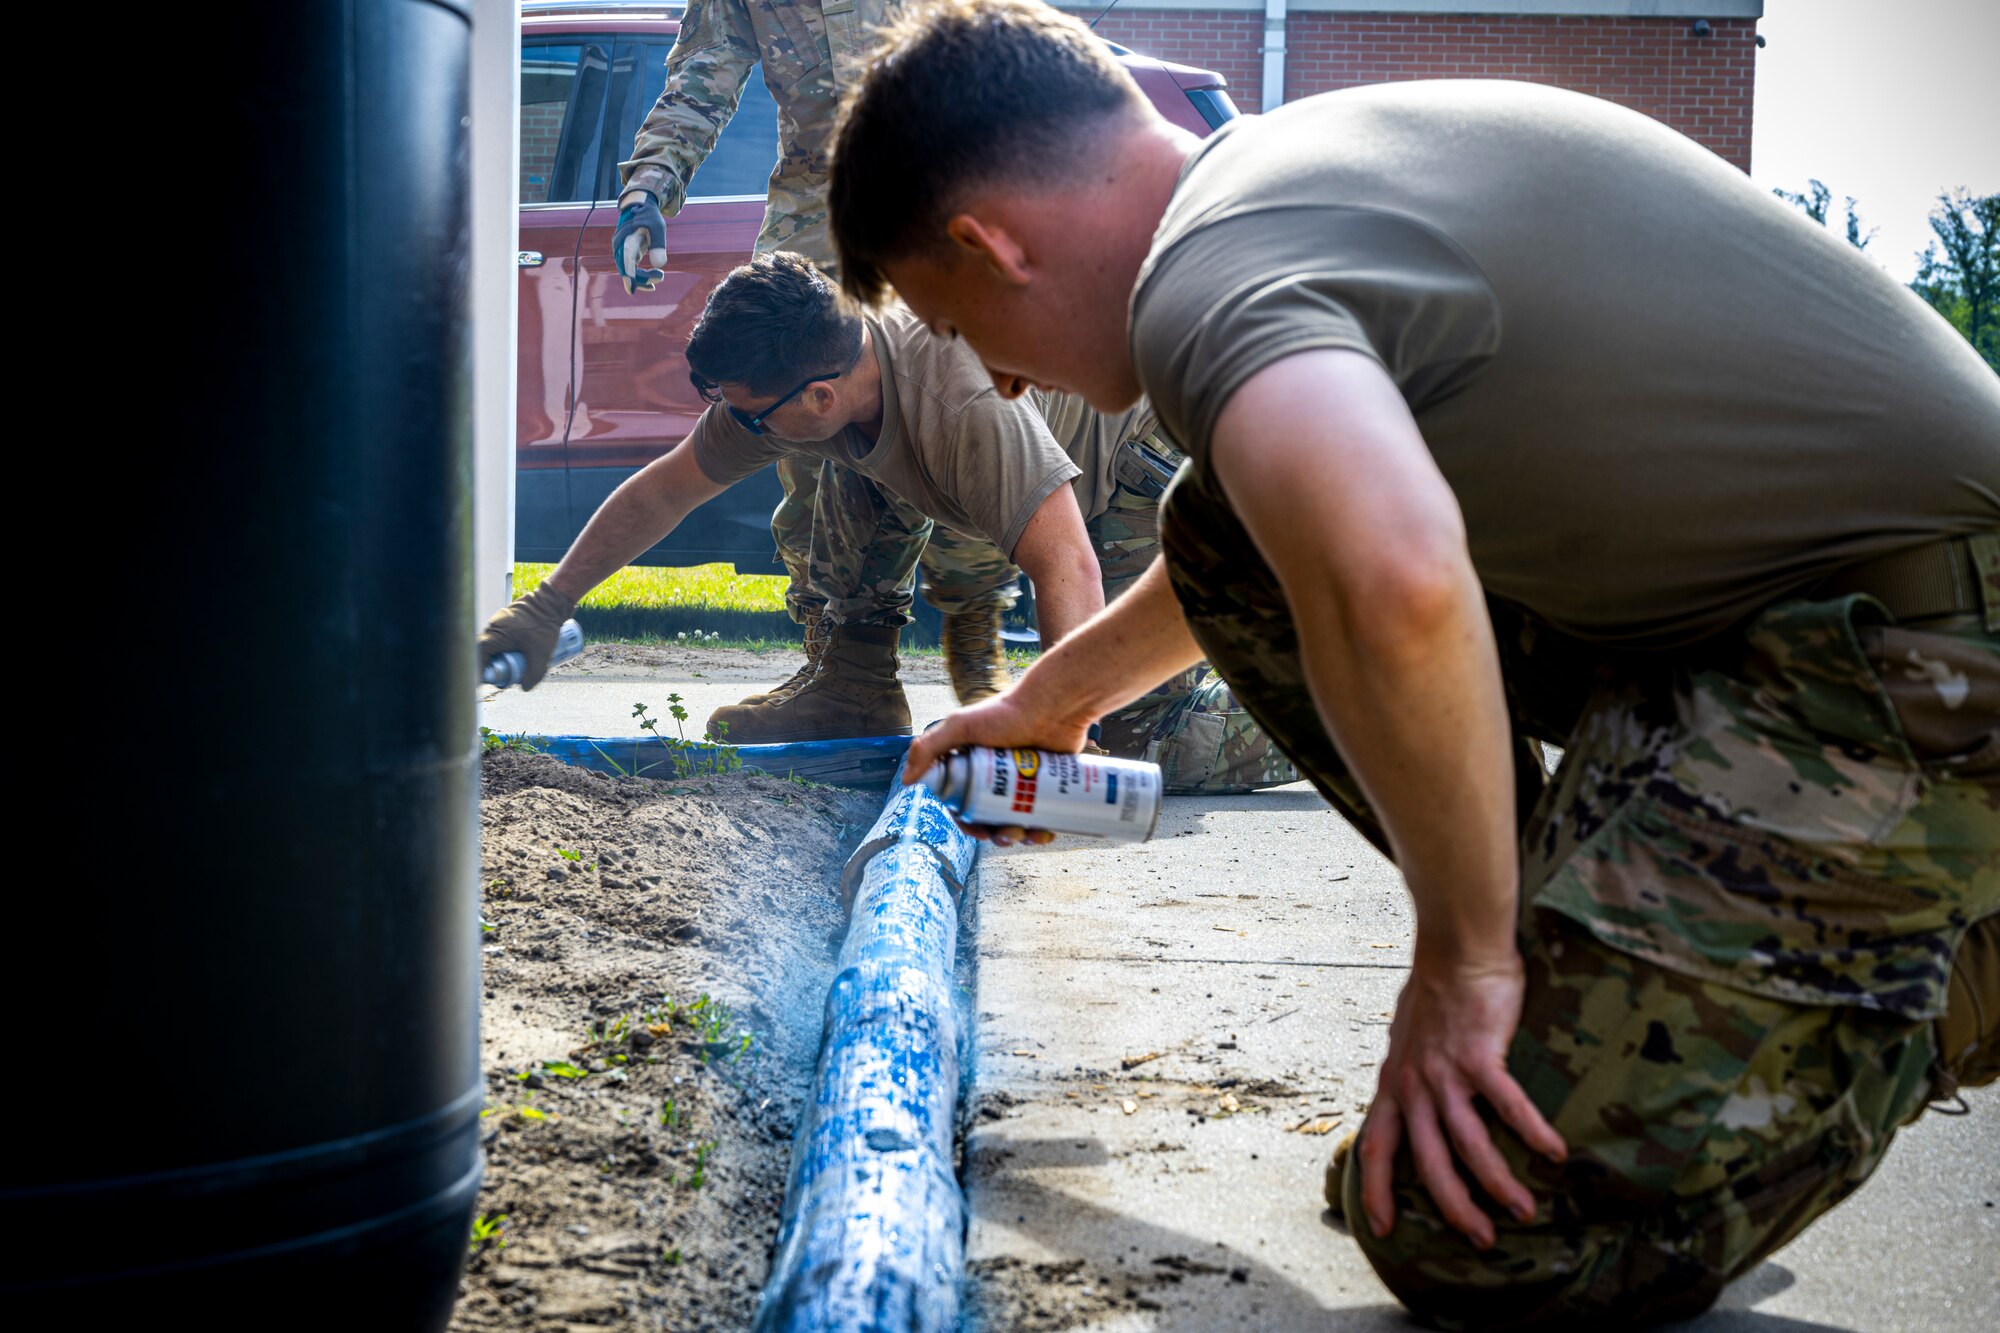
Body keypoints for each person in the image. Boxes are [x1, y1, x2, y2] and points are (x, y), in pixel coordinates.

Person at [831, 1, 2000, 1325]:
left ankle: (1915, 984)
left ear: (989, 243)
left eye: (960, 326)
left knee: (1471, 1231)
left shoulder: (1211, 277)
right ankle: (1651, 976)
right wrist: (1051, 702)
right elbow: (1280, 554)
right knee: (1231, 523)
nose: (993, 383)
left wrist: (1465, 963)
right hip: (1787, 635)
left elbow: (1393, 576)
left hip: (1928, 663)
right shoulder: (1290, 177)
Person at [482, 252, 1295, 791]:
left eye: (750, 416)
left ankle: (1332, 694)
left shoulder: (959, 401)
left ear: (819, 395)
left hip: (1148, 452)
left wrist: (1056, 742)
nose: (739, 430)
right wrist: (543, 608)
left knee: (1135, 739)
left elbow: (1064, 564)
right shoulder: (814, 372)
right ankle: (854, 686)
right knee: (850, 468)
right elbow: (667, 489)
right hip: (1036, 448)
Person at [610, 0, 1014, 724]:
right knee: (808, 453)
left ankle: (979, 649)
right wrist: (649, 187)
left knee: (958, 426)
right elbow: (704, 76)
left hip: (942, 206)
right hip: (818, 220)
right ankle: (842, 673)